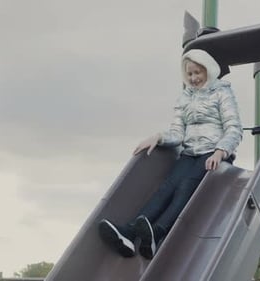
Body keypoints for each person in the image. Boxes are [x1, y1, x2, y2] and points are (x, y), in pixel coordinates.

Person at [98, 49, 243, 260]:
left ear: (208, 70)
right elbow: (177, 132)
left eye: (197, 73)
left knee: (185, 187)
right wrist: (158, 137)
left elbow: (234, 128)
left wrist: (221, 151)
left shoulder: (222, 92)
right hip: (190, 151)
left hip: (214, 153)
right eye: (190, 74)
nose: (193, 78)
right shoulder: (185, 97)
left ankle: (157, 233)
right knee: (167, 187)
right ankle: (129, 233)